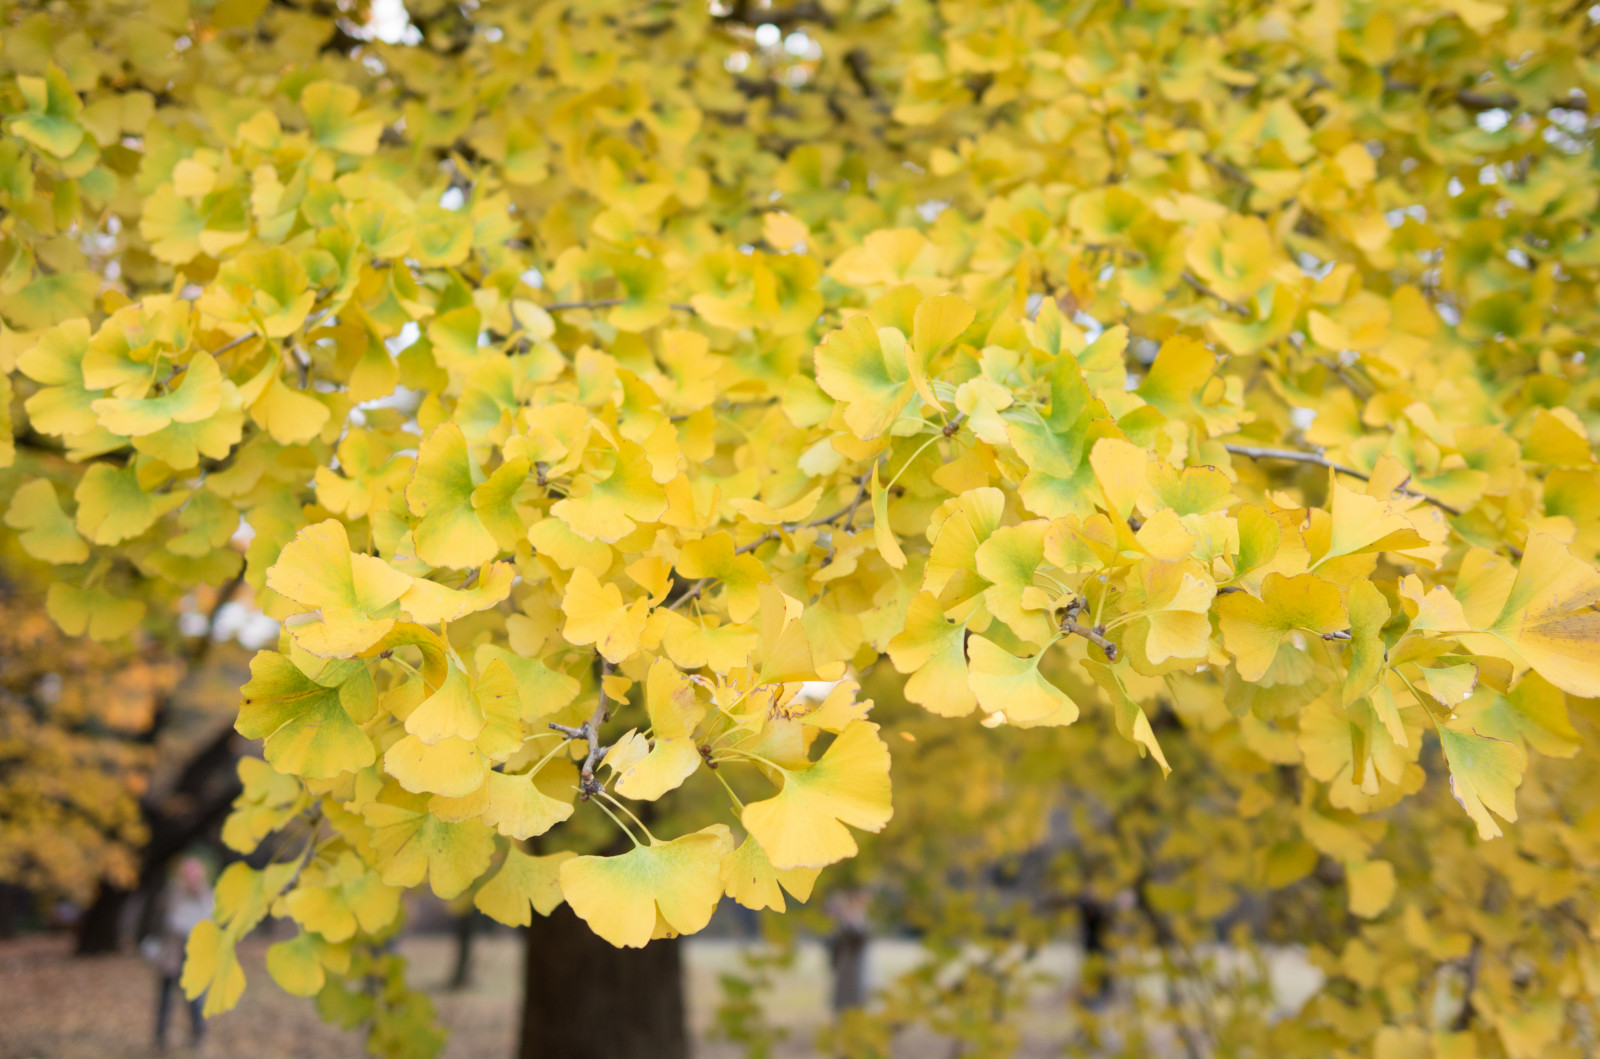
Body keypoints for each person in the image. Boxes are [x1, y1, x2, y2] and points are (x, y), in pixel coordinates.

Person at [142, 857, 214, 1051]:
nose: (190, 878)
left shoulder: (206, 896)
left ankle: (198, 1034)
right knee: (165, 998)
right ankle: (160, 1036)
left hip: (192, 956)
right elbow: (158, 920)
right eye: (187, 873)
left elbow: (210, 923)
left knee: (194, 999)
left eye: (193, 873)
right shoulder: (171, 894)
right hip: (170, 954)